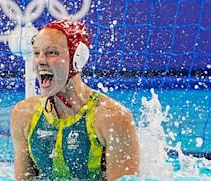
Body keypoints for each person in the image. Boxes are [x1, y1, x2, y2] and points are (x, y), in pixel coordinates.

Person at [11, 19, 139, 181]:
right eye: (36, 53)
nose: (41, 61)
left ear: (78, 58)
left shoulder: (112, 118)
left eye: (52, 53)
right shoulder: (24, 114)